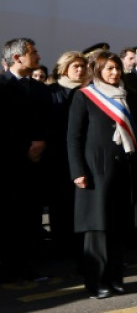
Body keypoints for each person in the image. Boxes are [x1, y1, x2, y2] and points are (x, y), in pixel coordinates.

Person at [67, 51, 137, 298]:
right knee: (98, 229)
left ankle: (115, 277)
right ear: (98, 70)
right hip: (95, 171)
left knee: (118, 227)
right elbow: (74, 136)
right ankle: (96, 282)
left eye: (117, 68)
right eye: (109, 68)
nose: (115, 73)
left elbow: (136, 133)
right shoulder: (84, 96)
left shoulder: (126, 96)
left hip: (123, 169)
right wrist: (77, 171)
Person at [0, 38, 52, 282]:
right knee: (8, 219)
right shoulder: (1, 85)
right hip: (9, 165)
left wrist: (41, 143)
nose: (39, 57)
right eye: (34, 52)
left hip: (35, 164)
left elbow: (48, 122)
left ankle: (26, 267)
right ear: (18, 57)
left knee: (30, 218)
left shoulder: (41, 89)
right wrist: (26, 146)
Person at [46, 52, 87, 257]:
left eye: (82, 66)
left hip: (81, 156)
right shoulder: (52, 92)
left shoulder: (88, 92)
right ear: (64, 69)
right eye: (75, 66)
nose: (80, 69)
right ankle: (61, 246)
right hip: (57, 156)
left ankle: (78, 245)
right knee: (60, 204)